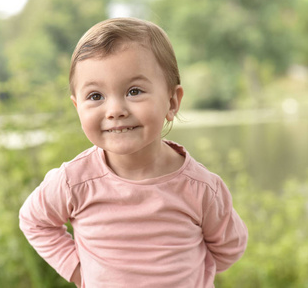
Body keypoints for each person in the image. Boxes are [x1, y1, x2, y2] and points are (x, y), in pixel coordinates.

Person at [19, 17, 247, 288]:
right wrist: (80, 271)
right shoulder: (75, 181)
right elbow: (34, 221)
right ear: (76, 106)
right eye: (95, 96)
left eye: (134, 91)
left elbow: (230, 247)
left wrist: (192, 271)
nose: (115, 110)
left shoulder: (200, 189)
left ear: (172, 102)